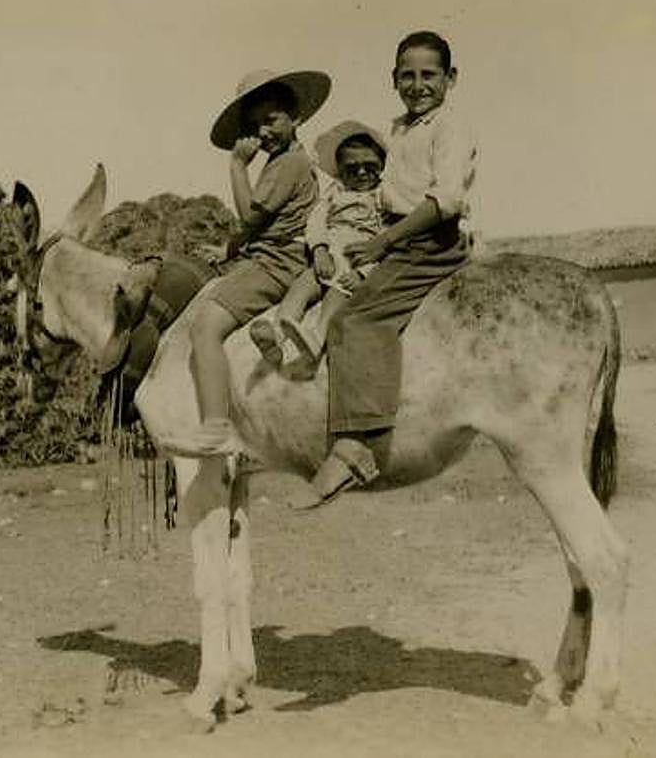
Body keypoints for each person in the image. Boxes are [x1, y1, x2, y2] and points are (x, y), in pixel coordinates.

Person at [307, 31, 478, 505]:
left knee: (356, 317)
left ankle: (358, 443)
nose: (418, 84)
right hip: (399, 234)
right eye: (408, 75)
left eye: (429, 75)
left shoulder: (450, 126)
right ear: (394, 80)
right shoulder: (399, 129)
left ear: (451, 78)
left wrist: (384, 240)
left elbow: (445, 199)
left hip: (426, 240)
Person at [187, 69, 331, 454]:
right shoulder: (288, 160)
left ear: (296, 118)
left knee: (204, 327)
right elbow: (261, 226)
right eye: (255, 125)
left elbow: (251, 216)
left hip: (278, 263)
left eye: (270, 120)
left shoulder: (289, 164)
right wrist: (230, 251)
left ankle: (216, 423)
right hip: (272, 254)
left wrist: (236, 166)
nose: (263, 132)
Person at [248, 120, 387, 380]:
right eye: (351, 168)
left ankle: (317, 339)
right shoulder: (334, 193)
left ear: (381, 167)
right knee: (301, 286)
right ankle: (277, 334)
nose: (361, 174)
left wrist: (363, 273)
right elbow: (316, 221)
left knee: (337, 295)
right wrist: (320, 249)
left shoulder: (383, 197)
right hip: (327, 255)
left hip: (356, 260)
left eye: (370, 167)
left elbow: (386, 240)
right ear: (340, 172)